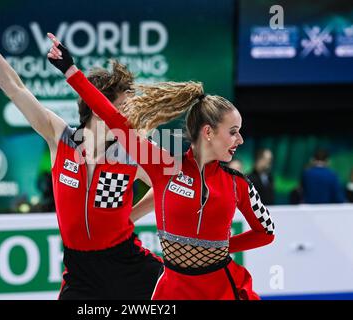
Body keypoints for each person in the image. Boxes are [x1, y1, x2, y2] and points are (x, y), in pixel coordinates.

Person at [0, 1, 163, 300]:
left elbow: (169, 182)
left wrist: (132, 214)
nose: (133, 109)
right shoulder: (60, 137)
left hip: (128, 265)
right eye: (126, 102)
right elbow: (15, 88)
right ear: (99, 103)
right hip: (80, 273)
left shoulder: (133, 150)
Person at [47, 35, 275, 300]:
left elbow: (266, 233)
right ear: (208, 132)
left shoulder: (239, 183)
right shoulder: (163, 165)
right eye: (233, 132)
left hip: (222, 288)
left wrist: (220, 249)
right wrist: (71, 72)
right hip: (174, 291)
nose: (241, 140)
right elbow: (113, 117)